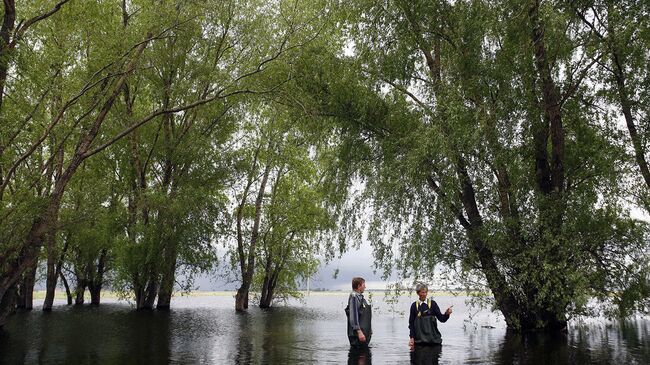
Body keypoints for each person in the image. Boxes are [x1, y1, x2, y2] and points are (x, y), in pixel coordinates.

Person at [408, 283, 452, 350]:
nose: (425, 294)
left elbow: (442, 319)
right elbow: (411, 324)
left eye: (426, 292)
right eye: (422, 292)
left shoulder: (433, 304)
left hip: (433, 341)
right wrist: (412, 338)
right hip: (419, 342)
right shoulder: (414, 306)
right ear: (418, 293)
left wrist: (447, 313)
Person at [345, 277, 372, 347]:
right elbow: (353, 315)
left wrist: (369, 330)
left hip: (364, 334)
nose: (365, 287)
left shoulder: (360, 297)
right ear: (358, 286)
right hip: (357, 336)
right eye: (363, 285)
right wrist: (359, 332)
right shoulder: (354, 297)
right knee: (358, 356)